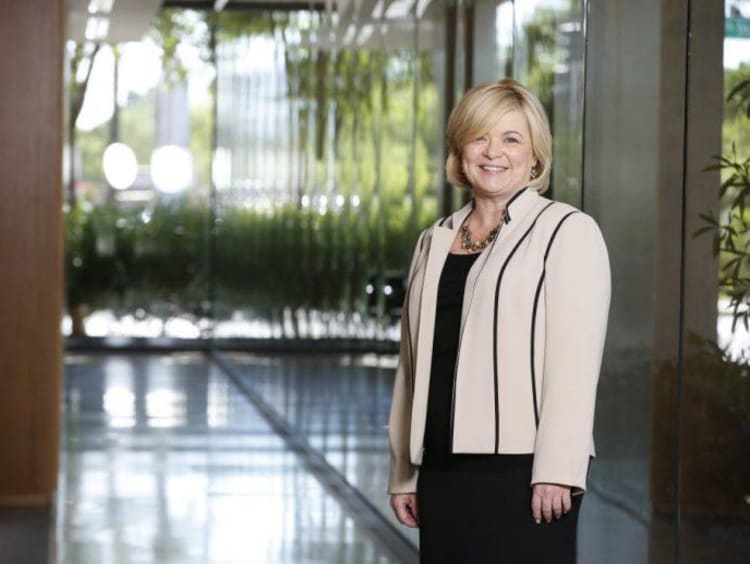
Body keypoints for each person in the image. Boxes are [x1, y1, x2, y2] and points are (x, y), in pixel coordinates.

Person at [386, 78, 611, 563]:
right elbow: (412, 366)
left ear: (535, 156)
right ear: (460, 150)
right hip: (441, 472)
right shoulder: (435, 239)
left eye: (511, 139)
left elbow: (575, 363)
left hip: (524, 474)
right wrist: (404, 471)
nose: (493, 152)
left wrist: (558, 468)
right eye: (480, 137)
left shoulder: (566, 232)